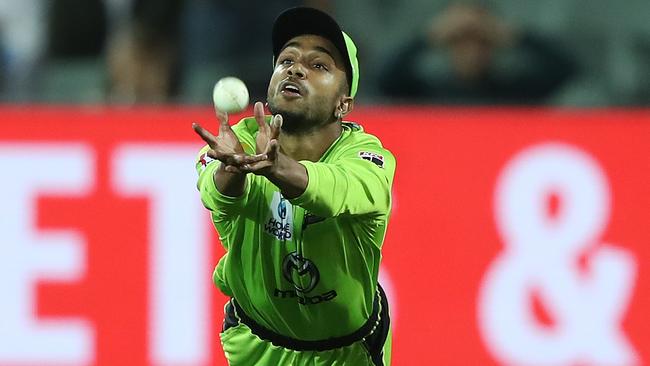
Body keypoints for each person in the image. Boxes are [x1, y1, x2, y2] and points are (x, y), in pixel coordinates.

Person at [192, 7, 395, 365]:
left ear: (343, 103)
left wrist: (277, 168)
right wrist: (232, 169)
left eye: (319, 65)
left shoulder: (366, 156)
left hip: (346, 353)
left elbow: (338, 192)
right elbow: (218, 196)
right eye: (286, 60)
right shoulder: (240, 141)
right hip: (256, 342)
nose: (296, 68)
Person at [377, 1, 576, 105]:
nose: (472, 51)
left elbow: (565, 71)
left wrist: (511, 35)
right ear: (448, 46)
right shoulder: (426, 93)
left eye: (482, 42)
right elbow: (383, 80)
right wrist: (429, 37)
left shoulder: (515, 93)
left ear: (494, 45)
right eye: (461, 41)